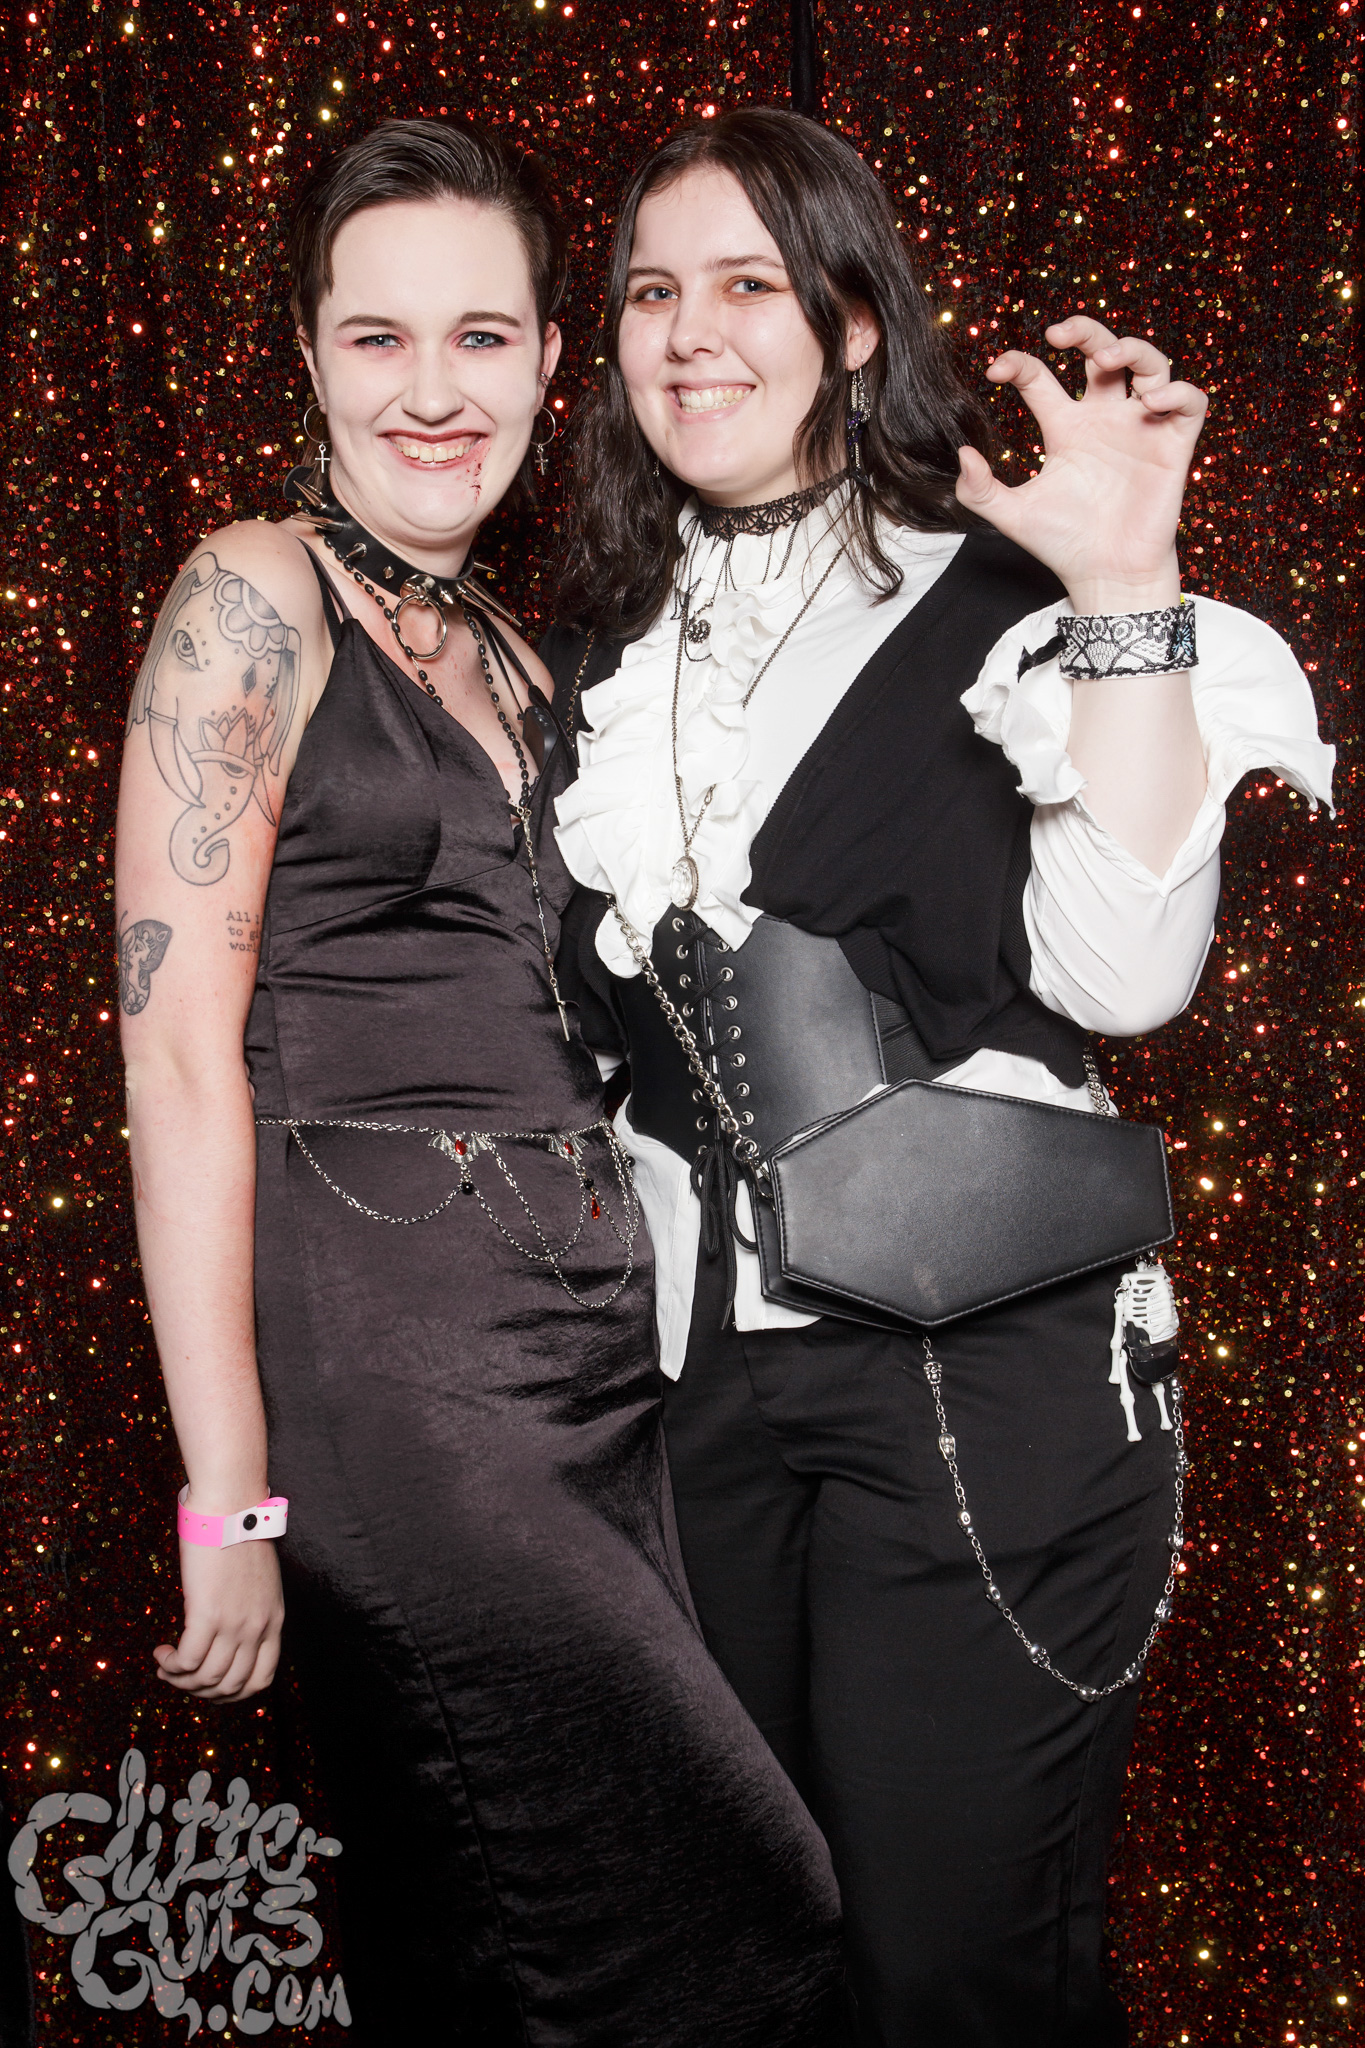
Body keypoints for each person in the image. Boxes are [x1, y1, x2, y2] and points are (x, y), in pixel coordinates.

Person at [543, 109, 1334, 2046]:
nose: (687, 333)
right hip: (706, 1405)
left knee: (948, 1977)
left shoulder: (998, 593)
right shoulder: (594, 647)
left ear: (848, 321)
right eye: (649, 290)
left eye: (747, 284)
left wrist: (1123, 580)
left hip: (977, 1368)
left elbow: (1127, 979)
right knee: (760, 1957)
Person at [115, 116, 844, 2043]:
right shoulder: (250, 594)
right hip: (394, 1362)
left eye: (481, 337)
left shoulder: (522, 655)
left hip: (594, 1361)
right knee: (694, 1905)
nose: (432, 393)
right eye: (379, 338)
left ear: (548, 359)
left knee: (503, 1918)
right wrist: (227, 1498)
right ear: (307, 352)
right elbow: (176, 1054)